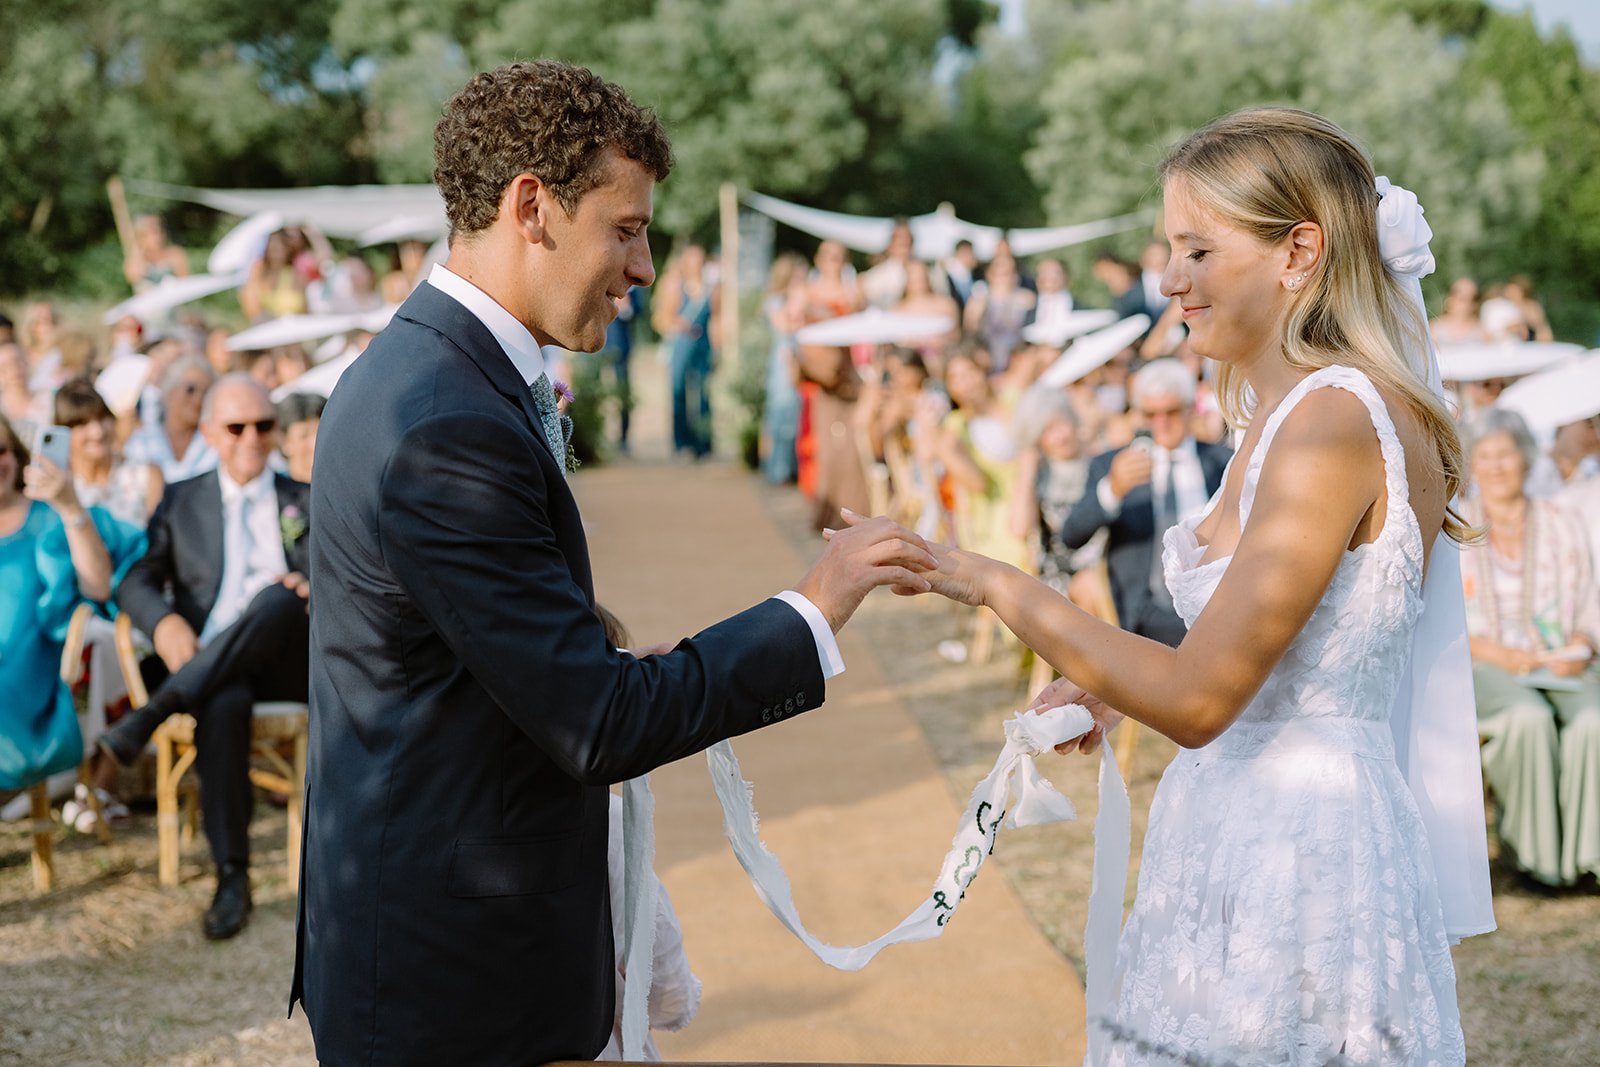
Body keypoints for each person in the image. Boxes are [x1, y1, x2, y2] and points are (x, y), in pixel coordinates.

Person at [290, 60, 935, 1067]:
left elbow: (467, 650)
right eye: (625, 228)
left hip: (433, 934)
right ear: (531, 207)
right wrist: (815, 603)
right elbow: (592, 722)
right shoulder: (446, 420)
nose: (641, 266)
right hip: (457, 983)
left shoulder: (423, 371)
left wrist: (609, 655)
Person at [884, 107, 1491, 1063]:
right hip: (1238, 826)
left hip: (1300, 852)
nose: (1170, 280)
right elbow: (1266, 646)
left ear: (1298, 252)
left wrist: (990, 579)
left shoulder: (1334, 420)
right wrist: (1109, 679)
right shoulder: (1287, 411)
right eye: (1170, 249)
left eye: (1198, 250)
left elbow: (1205, 698)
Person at [102, 375, 312, 940]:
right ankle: (232, 877)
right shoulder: (182, 498)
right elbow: (136, 580)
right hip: (211, 667)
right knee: (222, 699)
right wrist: (164, 621)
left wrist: (316, 586)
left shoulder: (304, 498)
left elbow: (340, 574)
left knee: (277, 598)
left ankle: (150, 714)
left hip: (289, 661)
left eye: (264, 425)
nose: (252, 437)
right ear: (211, 433)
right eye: (237, 427)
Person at [1458, 408, 1600, 889]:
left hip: (1559, 660)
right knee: (1527, 719)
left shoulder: (1561, 520)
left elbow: (1590, 598)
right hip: (1485, 662)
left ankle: (1587, 859)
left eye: (1507, 455)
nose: (1497, 467)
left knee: (1593, 721)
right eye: (1486, 456)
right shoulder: (1457, 529)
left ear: (1526, 459)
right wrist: (1500, 656)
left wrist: (1582, 642)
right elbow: (1445, 623)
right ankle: (1538, 862)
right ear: (1472, 464)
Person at [0, 415, 143, 798]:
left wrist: (69, 505)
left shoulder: (47, 514)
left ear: (13, 452)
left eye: (0, 450)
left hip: (35, 678)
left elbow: (97, 586)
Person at [1059, 358, 1230, 647]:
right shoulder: (1113, 465)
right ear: (1139, 415)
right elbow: (1071, 535)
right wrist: (1111, 490)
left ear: (1190, 409)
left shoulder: (1222, 462)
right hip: (1144, 610)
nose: (1161, 423)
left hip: (1217, 601)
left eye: (1171, 412)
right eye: (1150, 414)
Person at [55, 377, 162, 528]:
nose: (97, 432)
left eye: (101, 417)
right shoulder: (59, 487)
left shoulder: (145, 475)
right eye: (82, 424)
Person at [655, 243, 716, 459]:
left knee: (703, 393)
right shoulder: (674, 285)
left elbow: (717, 319)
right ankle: (681, 442)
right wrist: (680, 324)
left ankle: (704, 443)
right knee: (678, 391)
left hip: (703, 345)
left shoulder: (711, 288)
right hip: (681, 343)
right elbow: (662, 317)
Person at [123, 357, 218, 483]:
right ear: (169, 390)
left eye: (206, 393)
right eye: (190, 389)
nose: (198, 399)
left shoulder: (215, 445)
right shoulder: (142, 440)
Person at [123, 214, 190, 291]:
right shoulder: (137, 261)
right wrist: (137, 249)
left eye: (160, 231)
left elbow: (185, 282)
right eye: (152, 233)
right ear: (141, 237)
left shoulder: (175, 253)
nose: (158, 237)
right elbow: (132, 277)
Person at [275, 392, 324, 484]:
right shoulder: (273, 492)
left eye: (321, 434)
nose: (314, 443)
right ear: (284, 442)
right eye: (304, 436)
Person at [1430, 276, 1490, 345]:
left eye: (1473, 299)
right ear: (1450, 298)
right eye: (1462, 298)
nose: (1468, 303)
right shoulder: (1434, 329)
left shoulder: (1482, 333)